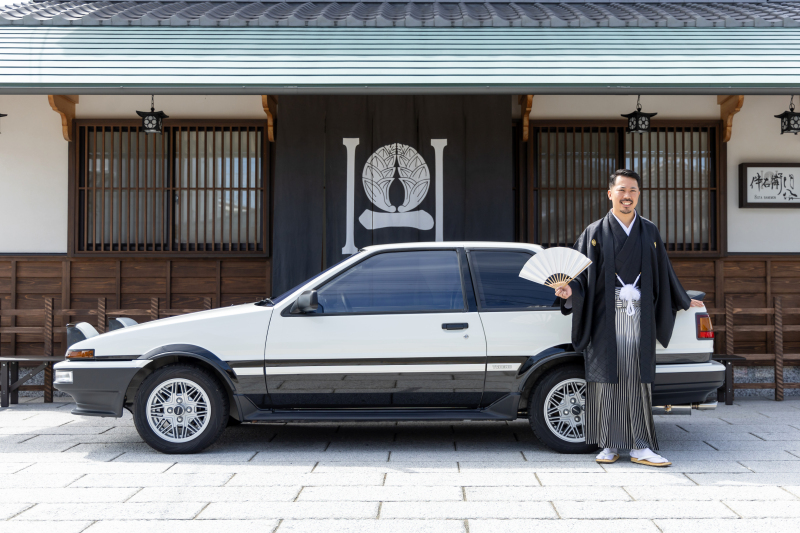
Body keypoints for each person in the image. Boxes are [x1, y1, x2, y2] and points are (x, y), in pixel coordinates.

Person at [554, 169, 703, 467]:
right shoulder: (594, 232)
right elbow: (580, 276)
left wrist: (683, 298)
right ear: (610, 193)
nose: (627, 195)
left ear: (638, 195)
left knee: (637, 379)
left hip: (639, 317)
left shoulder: (649, 231)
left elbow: (663, 271)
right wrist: (569, 289)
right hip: (604, 318)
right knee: (604, 378)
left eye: (633, 190)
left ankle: (641, 446)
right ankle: (608, 444)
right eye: (621, 189)